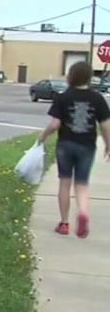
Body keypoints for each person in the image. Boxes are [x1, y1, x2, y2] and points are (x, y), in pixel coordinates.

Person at [37, 61, 110, 239]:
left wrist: (43, 136)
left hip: (65, 145)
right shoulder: (97, 98)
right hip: (87, 146)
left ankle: (64, 223)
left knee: (64, 182)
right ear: (89, 77)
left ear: (71, 76)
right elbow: (106, 125)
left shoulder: (63, 97)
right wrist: (108, 144)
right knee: (82, 184)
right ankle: (83, 213)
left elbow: (55, 124)